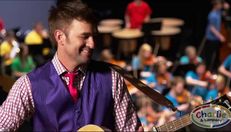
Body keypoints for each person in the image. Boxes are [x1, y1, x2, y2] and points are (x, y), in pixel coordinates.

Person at [0, 1, 142, 131]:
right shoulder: (28, 85)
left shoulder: (112, 78)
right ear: (60, 37)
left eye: (94, 36)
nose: (92, 44)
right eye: (84, 36)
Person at [203, 0, 229, 71]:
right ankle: (208, 70)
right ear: (215, 5)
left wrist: (226, 8)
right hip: (211, 38)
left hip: (216, 38)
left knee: (216, 55)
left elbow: (224, 15)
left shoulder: (218, 12)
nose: (221, 6)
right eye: (220, 5)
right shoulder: (212, 15)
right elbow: (212, 28)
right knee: (210, 56)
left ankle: (214, 68)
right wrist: (220, 36)